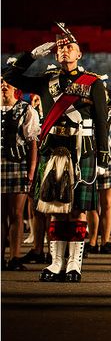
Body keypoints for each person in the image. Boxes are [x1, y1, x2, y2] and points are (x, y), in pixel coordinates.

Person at [2, 27, 110, 283]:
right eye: (61, 47)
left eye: (70, 47)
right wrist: (31, 56)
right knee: (55, 208)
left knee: (78, 210)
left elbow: (101, 121)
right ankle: (56, 262)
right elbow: (9, 76)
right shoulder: (46, 80)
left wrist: (102, 153)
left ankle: (74, 264)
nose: (64, 50)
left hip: (81, 148)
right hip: (52, 149)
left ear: (79, 54)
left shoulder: (92, 83)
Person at [1, 75, 40, 271]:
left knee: (16, 213)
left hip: (18, 165)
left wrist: (31, 170)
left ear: (16, 87)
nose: (4, 85)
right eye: (1, 82)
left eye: (7, 82)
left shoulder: (26, 109)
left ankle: (15, 257)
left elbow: (32, 143)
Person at [87, 78, 111, 254]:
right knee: (91, 204)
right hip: (90, 160)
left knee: (107, 203)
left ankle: (106, 241)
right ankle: (92, 241)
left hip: (110, 161)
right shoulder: (86, 112)